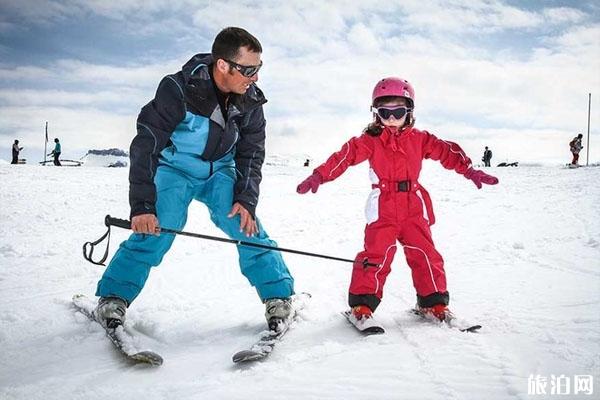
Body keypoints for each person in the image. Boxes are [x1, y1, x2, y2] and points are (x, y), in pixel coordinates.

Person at [93, 27, 295, 332]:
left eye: (259, 69)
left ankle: (278, 297)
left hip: (221, 172)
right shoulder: (178, 89)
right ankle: (114, 297)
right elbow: (147, 143)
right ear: (223, 65)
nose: (255, 78)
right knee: (159, 224)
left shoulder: (250, 100)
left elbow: (251, 154)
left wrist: (245, 198)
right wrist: (143, 206)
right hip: (176, 170)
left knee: (246, 224)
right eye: (249, 69)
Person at [297, 77, 498, 330]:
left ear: (409, 112)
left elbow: (447, 151)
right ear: (375, 113)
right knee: (376, 255)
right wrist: (319, 175)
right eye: (385, 112)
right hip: (383, 207)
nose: (391, 118)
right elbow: (344, 157)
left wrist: (469, 171)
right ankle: (362, 306)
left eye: (398, 112)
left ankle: (433, 303)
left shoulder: (420, 139)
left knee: (426, 254)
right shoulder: (369, 140)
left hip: (413, 206)